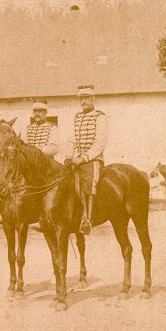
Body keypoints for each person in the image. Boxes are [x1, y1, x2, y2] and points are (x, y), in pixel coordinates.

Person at [0, 98, 59, 225]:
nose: (37, 114)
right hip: (29, 168)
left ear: (46, 112)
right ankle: (7, 212)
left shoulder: (52, 128)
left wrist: (34, 152)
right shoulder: (28, 129)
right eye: (35, 111)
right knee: (10, 180)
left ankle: (47, 216)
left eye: (40, 111)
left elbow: (53, 148)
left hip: (46, 167)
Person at [64, 85, 108, 235]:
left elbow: (100, 143)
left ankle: (87, 219)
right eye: (81, 98)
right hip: (77, 158)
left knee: (89, 181)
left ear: (93, 98)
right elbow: (71, 140)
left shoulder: (99, 117)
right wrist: (69, 157)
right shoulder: (77, 117)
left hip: (93, 159)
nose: (84, 101)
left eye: (87, 98)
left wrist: (83, 158)